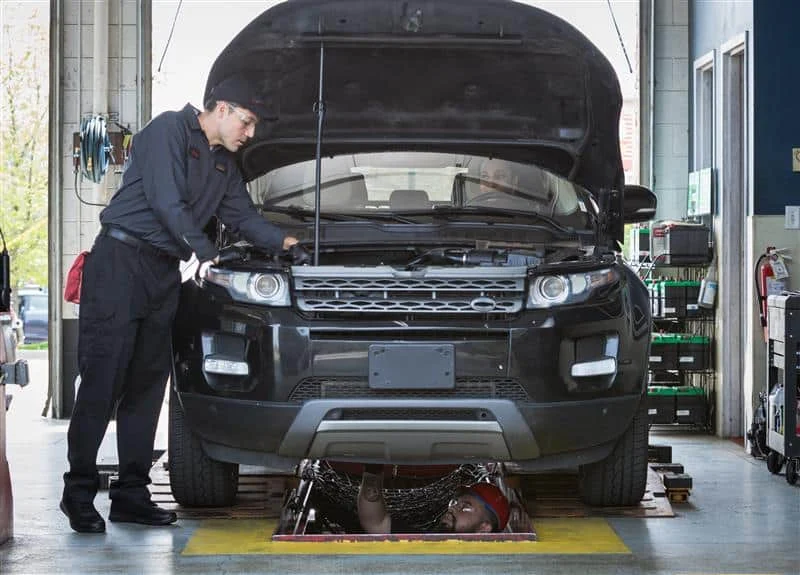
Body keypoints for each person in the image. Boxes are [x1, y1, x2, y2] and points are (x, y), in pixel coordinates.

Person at [60, 75, 301, 534]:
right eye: (247, 122)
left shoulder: (224, 168)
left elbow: (244, 218)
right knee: (102, 382)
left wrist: (289, 243)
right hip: (119, 263)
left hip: (162, 272)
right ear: (223, 109)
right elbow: (167, 204)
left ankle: (131, 494)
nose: (249, 134)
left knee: (148, 387)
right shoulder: (167, 130)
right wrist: (207, 253)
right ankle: (78, 494)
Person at [357, 466, 510, 534]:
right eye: (455, 502)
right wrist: (373, 470)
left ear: (484, 528)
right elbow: (375, 522)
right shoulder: (424, 542)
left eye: (466, 506)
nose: (453, 508)